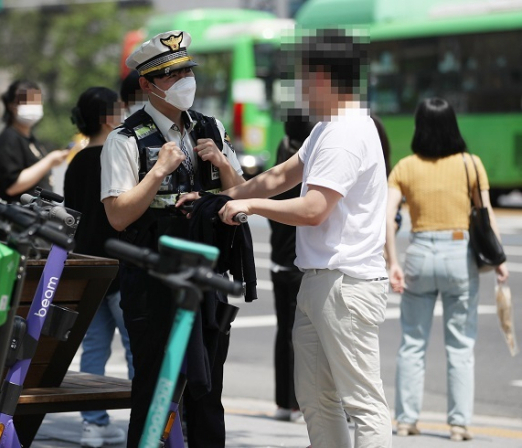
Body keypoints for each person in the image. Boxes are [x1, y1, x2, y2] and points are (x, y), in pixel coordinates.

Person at [179, 29, 394, 447]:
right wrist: (218, 196)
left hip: (346, 285)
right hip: (319, 282)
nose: (297, 88)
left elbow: (314, 210)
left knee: (362, 402)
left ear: (321, 77)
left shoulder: (347, 133)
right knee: (316, 399)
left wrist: (251, 208)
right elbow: (278, 177)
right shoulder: (325, 130)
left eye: (300, 76)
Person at [101, 30, 245, 448]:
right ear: (147, 84)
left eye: (186, 70)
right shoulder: (125, 139)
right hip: (153, 282)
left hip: (207, 278)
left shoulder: (210, 128)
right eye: (171, 74)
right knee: (154, 387)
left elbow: (243, 194)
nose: (184, 80)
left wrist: (221, 163)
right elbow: (117, 215)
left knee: (207, 389)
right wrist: (158, 172)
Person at [385, 97, 509, 441]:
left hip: (420, 253)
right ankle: (458, 424)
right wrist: (499, 261)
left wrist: (392, 261)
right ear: (453, 125)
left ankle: (406, 420)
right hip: (459, 255)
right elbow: (486, 214)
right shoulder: (471, 164)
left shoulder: (406, 167)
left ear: (418, 127)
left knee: (412, 342)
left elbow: (387, 215)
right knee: (460, 345)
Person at [63, 87, 134, 448]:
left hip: (87, 269)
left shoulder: (76, 161)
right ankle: (144, 419)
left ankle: (93, 423)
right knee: (137, 346)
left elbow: (71, 217)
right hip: (120, 264)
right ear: (109, 117)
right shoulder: (117, 154)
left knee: (93, 348)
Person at [268, 113, 315, 423]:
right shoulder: (310, 174)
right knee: (308, 338)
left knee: (285, 333)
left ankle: (285, 403)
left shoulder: (277, 169)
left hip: (278, 264)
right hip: (302, 266)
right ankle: (302, 403)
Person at [0, 80, 69, 202]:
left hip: (40, 215)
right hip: (19, 214)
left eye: (36, 101)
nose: (33, 106)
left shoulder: (31, 139)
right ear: (12, 105)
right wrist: (49, 161)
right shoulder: (8, 139)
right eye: (27, 101)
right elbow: (12, 186)